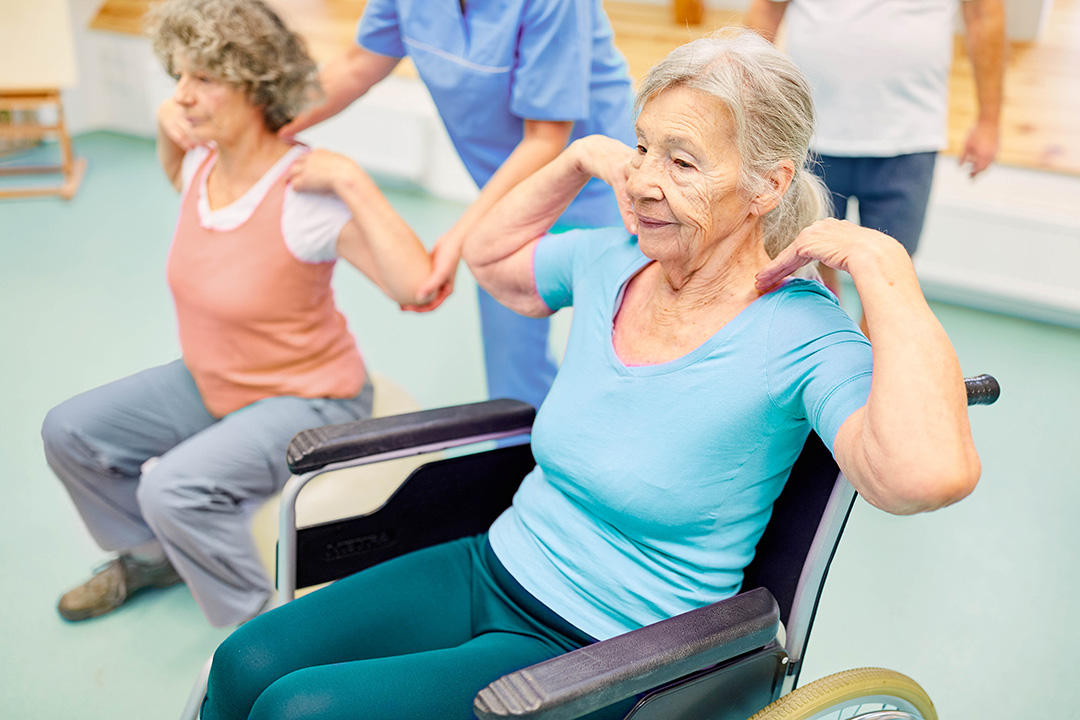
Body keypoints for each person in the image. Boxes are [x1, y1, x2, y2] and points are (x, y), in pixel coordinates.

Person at [201, 30, 981, 720]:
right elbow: (492, 262)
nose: (644, 182)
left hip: (606, 648)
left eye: (682, 162)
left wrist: (887, 269)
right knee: (242, 665)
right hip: (494, 562)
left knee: (293, 713)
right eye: (644, 148)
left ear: (768, 186)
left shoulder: (799, 330)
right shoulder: (617, 259)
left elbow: (925, 476)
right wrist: (574, 159)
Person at [42, 0, 437, 628]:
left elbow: (418, 287)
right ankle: (152, 558)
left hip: (311, 396)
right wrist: (169, 115)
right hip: (214, 380)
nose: (182, 96)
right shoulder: (200, 162)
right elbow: (177, 151)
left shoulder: (303, 194)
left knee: (171, 489)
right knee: (71, 431)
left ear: (254, 86)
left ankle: (261, 631)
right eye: (179, 76)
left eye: (204, 79)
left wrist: (354, 181)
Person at [278, 0, 636, 412]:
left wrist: (461, 236)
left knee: (618, 339)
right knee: (510, 352)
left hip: (597, 183)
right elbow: (358, 65)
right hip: (503, 185)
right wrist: (258, 124)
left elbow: (545, 139)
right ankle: (514, 455)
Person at [745, 0, 1005, 326]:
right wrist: (749, 106)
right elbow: (767, 7)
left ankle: (870, 372)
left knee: (887, 278)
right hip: (810, 131)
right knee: (808, 264)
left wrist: (989, 121)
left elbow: (984, 14)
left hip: (908, 137)